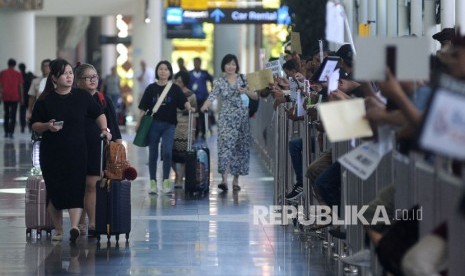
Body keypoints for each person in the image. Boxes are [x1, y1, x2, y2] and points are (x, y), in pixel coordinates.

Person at [30, 58, 111, 243]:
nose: (68, 76)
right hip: (52, 153)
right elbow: (34, 125)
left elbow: (99, 113)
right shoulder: (45, 100)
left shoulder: (81, 97)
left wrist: (104, 130)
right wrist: (47, 126)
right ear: (54, 78)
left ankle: (74, 227)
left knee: (76, 189)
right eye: (64, 73)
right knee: (55, 191)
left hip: (77, 151)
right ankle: (59, 229)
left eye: (70, 73)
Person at [74, 63, 122, 237]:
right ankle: (79, 221)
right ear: (78, 81)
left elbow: (113, 126)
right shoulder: (73, 99)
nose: (92, 80)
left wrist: (118, 148)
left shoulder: (103, 99)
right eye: (87, 77)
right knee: (79, 186)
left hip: (97, 147)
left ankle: (93, 222)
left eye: (94, 76)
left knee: (92, 185)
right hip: (76, 148)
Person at [200, 54, 258, 191]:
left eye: (233, 64)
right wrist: (204, 105)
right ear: (223, 66)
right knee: (224, 147)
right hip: (226, 118)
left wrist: (246, 91)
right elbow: (212, 95)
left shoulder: (244, 79)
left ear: (236, 65)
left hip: (242, 118)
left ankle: (236, 180)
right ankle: (224, 179)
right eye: (228, 64)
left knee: (240, 149)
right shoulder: (220, 82)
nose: (231, 67)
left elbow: (255, 96)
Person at [137, 60, 195, 194]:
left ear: (170, 72)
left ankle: (166, 180)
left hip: (169, 125)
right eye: (161, 69)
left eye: (166, 69)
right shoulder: (151, 88)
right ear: (157, 71)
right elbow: (142, 107)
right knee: (153, 154)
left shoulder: (174, 88)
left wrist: (189, 108)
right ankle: (152, 182)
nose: (163, 71)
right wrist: (139, 122)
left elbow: (184, 101)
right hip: (153, 125)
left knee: (167, 153)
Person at [172, 70, 198, 188]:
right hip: (171, 125)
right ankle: (177, 174)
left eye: (180, 82)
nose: (178, 83)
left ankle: (180, 179)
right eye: (176, 81)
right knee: (168, 154)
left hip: (185, 127)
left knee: (183, 156)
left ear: (185, 82)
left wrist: (193, 132)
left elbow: (194, 115)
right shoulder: (171, 93)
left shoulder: (191, 96)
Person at [188, 57, 213, 140]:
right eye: (195, 62)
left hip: (203, 98)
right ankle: (196, 132)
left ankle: (204, 133)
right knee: (195, 116)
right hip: (193, 99)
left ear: (200, 63)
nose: (197, 64)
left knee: (203, 116)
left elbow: (212, 80)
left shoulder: (205, 73)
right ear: (193, 63)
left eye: (198, 62)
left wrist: (211, 91)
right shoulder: (190, 73)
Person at [0, 58, 24, 138]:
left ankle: (6, 132)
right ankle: (11, 132)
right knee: (13, 115)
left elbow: (0, 86)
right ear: (14, 65)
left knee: (6, 114)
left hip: (5, 96)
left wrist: (0, 96)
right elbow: (20, 87)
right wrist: (22, 98)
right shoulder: (18, 74)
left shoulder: (3, 73)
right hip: (15, 96)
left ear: (8, 64)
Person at [18, 63, 35, 133]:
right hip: (29, 97)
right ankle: (30, 127)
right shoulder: (29, 75)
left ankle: (22, 127)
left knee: (22, 113)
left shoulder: (19, 75)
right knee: (30, 112)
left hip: (22, 97)